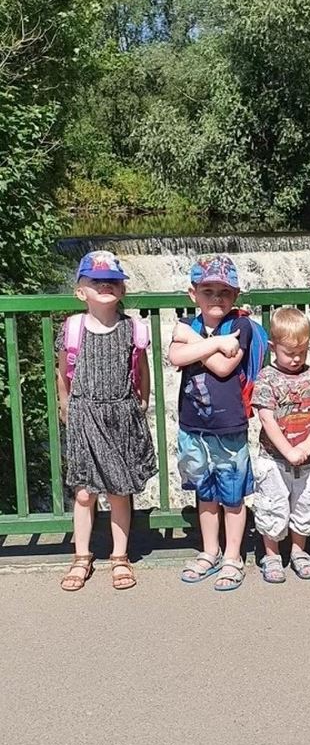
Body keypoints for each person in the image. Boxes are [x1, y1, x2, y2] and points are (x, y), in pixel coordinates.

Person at [57, 250, 157, 591]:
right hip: (84, 414)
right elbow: (63, 372)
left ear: (122, 290)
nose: (105, 285)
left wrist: (143, 398)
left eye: (113, 281)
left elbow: (140, 368)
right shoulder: (72, 328)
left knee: (118, 491)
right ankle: (81, 556)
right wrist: (65, 403)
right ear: (80, 291)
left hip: (120, 413)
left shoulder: (132, 329)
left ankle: (119, 557)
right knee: (84, 494)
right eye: (96, 280)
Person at [169, 254, 254, 592]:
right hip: (193, 427)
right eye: (208, 291)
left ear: (235, 295)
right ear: (193, 294)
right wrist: (216, 343)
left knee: (232, 497)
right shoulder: (190, 325)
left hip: (230, 426)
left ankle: (233, 556)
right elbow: (175, 357)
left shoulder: (241, 326)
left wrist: (197, 342)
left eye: (224, 291)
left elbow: (223, 368)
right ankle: (209, 551)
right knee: (205, 493)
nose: (216, 298)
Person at [252, 307, 310, 583]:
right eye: (289, 352)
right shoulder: (267, 378)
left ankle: (299, 550)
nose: (296, 358)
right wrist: (288, 450)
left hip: (308, 458)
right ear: (273, 347)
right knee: (272, 505)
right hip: (273, 458)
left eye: (302, 352)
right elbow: (266, 418)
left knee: (305, 505)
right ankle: (271, 554)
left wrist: (306, 447)